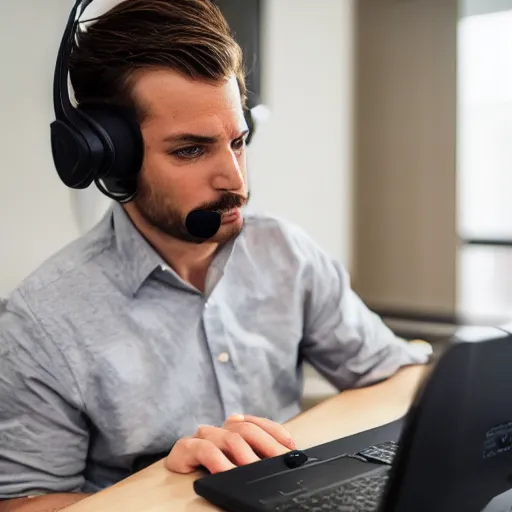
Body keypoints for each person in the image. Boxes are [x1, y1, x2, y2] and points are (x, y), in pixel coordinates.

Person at [0, 0, 431, 510]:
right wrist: (162, 484)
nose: (236, 180)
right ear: (112, 160)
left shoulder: (284, 253)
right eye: (190, 150)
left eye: (238, 141)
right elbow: (21, 502)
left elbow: (396, 375)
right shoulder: (42, 320)